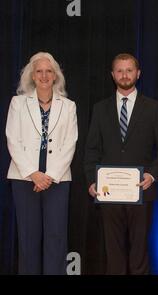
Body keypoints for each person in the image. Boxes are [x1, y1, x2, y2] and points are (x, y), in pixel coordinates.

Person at [84, 53, 158, 274]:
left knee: (139, 251)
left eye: (129, 70)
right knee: (113, 252)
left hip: (141, 191)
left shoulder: (153, 108)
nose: (125, 75)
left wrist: (152, 175)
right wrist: (92, 182)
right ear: (113, 75)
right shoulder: (100, 108)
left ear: (138, 73)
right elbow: (91, 150)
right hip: (108, 193)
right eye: (120, 70)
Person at [5, 52, 78, 274]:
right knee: (28, 238)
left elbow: (70, 143)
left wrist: (50, 175)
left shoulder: (68, 105)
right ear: (32, 76)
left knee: (56, 238)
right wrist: (33, 173)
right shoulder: (18, 103)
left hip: (57, 179)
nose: (44, 75)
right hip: (24, 178)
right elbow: (12, 139)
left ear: (55, 76)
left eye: (48, 71)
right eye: (39, 71)